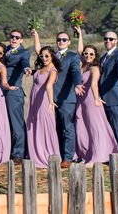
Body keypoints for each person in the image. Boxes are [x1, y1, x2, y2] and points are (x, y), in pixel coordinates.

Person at [33, 30, 83, 168]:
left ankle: (68, 157)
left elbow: (75, 71)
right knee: (55, 128)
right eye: (59, 39)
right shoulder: (52, 55)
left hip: (66, 98)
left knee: (68, 128)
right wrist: (36, 35)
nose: (61, 42)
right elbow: (39, 52)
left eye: (64, 40)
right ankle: (58, 154)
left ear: (69, 42)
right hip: (49, 99)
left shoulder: (73, 56)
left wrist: (78, 83)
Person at [72, 26, 118, 164]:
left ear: (95, 56)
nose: (88, 56)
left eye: (91, 54)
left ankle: (98, 157)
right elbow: (79, 50)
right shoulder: (83, 66)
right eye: (86, 54)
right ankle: (86, 154)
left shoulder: (95, 68)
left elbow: (93, 85)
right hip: (80, 101)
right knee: (81, 128)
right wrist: (80, 34)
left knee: (94, 128)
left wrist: (97, 98)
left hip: (91, 101)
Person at [0, 20, 31, 164]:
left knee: (16, 123)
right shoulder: (5, 49)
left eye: (17, 37)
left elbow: (25, 63)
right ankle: (7, 150)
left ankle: (19, 153)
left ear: (21, 40)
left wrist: (26, 69)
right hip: (0, 92)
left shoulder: (24, 52)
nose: (14, 39)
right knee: (4, 123)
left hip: (13, 91)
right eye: (12, 36)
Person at [26, 46, 61, 168]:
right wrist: (35, 34)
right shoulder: (40, 68)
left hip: (44, 101)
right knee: (34, 125)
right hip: (34, 100)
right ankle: (36, 155)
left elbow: (49, 86)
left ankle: (49, 155)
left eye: (47, 56)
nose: (44, 58)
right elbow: (37, 48)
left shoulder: (53, 70)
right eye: (42, 56)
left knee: (45, 126)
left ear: (52, 56)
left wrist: (51, 102)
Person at [99, 31, 118, 167]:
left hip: (114, 98)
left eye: (111, 39)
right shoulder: (103, 57)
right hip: (102, 98)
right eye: (105, 39)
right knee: (108, 129)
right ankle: (112, 156)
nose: (107, 41)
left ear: (116, 40)